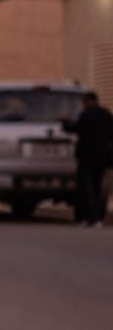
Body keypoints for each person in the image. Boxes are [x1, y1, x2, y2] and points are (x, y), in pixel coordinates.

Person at [63, 91, 113, 228]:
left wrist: (65, 122)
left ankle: (90, 217)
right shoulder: (106, 115)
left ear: (89, 101)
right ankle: (98, 218)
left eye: (84, 102)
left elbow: (76, 129)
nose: (83, 104)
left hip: (86, 157)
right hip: (103, 158)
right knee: (99, 188)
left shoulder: (86, 115)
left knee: (87, 188)